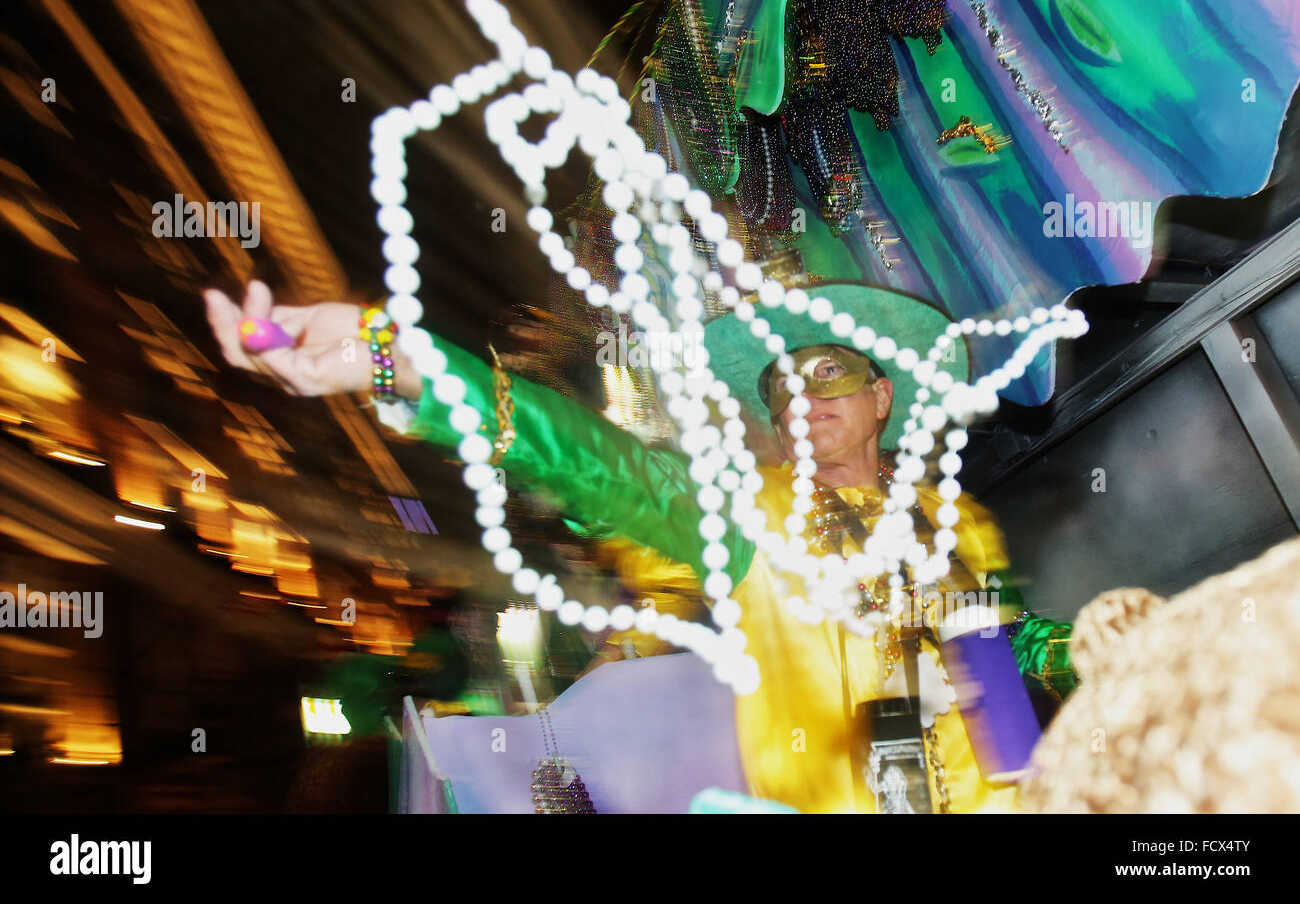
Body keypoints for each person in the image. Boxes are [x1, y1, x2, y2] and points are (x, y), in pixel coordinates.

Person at [204, 274, 1074, 813]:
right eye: (779, 386)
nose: (800, 397)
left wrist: (1090, 648)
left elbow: (998, 659)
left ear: (882, 396)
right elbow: (601, 467)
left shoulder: (958, 522)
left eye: (827, 374)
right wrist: (396, 360)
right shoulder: (746, 515)